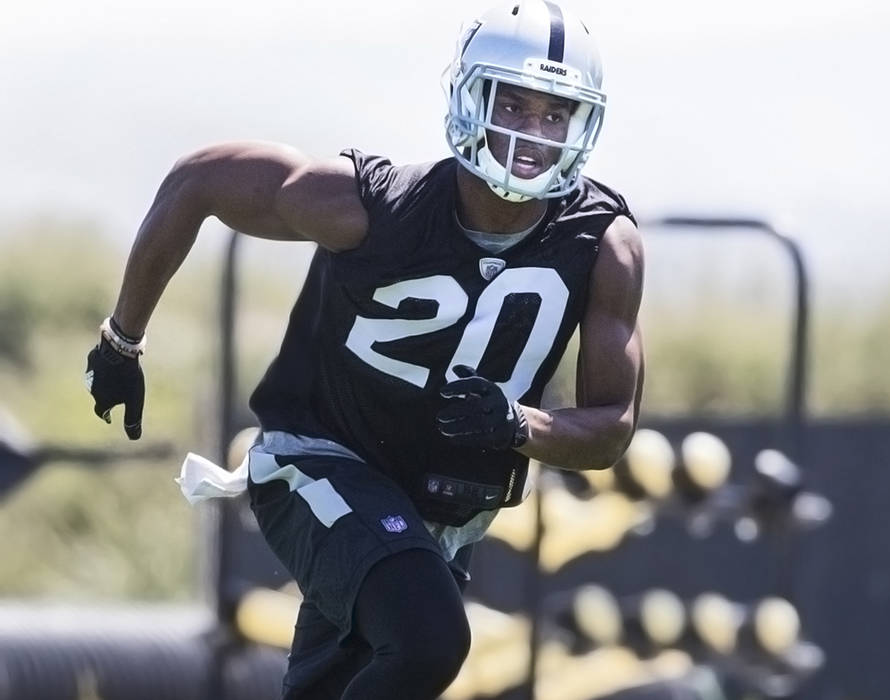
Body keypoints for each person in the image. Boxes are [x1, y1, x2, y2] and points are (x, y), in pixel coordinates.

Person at [84, 0, 644, 698]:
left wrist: (516, 424)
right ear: (471, 100)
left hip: (433, 514)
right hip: (318, 465)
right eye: (513, 104)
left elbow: (612, 426)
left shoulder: (604, 244)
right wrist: (121, 340)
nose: (532, 133)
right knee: (429, 640)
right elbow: (198, 179)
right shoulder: (374, 208)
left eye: (555, 114)